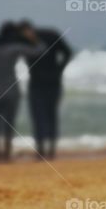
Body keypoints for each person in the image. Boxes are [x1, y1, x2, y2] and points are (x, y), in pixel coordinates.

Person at [0, 22, 42, 163]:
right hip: (12, 91)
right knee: (9, 125)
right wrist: (33, 38)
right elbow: (38, 51)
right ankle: (6, 155)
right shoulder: (14, 48)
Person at [17, 20, 72, 160]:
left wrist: (59, 70)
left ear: (29, 29)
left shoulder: (50, 35)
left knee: (50, 115)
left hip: (52, 83)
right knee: (37, 117)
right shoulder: (24, 41)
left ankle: (51, 150)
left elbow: (68, 52)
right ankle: (40, 150)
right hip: (36, 83)